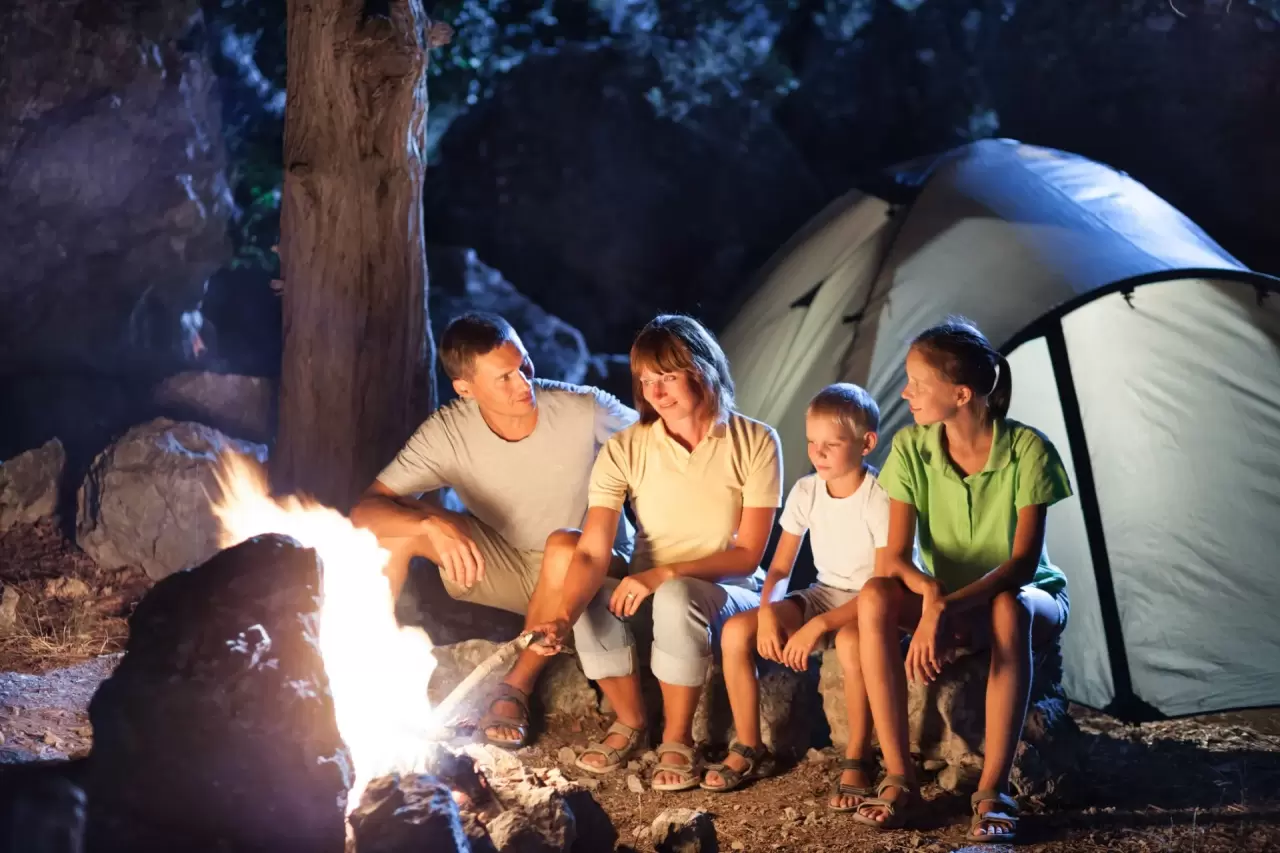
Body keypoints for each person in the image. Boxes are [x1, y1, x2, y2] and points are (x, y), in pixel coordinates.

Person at [350, 312, 637, 748]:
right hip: (512, 564)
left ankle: (514, 689)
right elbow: (363, 512)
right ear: (465, 389)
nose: (523, 383)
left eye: (524, 365)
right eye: (504, 377)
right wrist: (429, 521)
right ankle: (370, 666)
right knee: (397, 528)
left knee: (562, 544)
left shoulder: (584, 410)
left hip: (594, 566)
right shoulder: (447, 432)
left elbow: (667, 446)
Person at [529, 314, 782, 792]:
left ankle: (678, 737)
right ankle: (629, 721)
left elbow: (748, 555)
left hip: (730, 593)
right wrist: (562, 615)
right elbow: (591, 552)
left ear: (703, 369)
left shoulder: (756, 441)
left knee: (675, 593)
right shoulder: (626, 448)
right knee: (584, 592)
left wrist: (662, 574)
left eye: (667, 377)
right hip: (651, 591)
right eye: (646, 381)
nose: (656, 393)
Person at [852, 317, 1072, 843]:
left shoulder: (1028, 451)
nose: (906, 393)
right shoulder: (911, 448)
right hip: (950, 601)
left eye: (917, 383)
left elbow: (1021, 565)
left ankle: (993, 790)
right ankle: (900, 778)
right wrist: (931, 595)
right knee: (876, 595)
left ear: (961, 393)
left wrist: (945, 610)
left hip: (1029, 599)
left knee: (1008, 607)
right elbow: (895, 559)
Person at [701, 383, 889, 806]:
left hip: (871, 600)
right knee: (735, 632)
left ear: (866, 443)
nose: (817, 453)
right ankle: (749, 744)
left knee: (853, 643)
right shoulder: (807, 490)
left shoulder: (880, 497)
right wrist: (768, 611)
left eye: (832, 444)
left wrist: (819, 626)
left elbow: (885, 584)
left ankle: (858, 755)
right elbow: (781, 566)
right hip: (825, 592)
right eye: (811, 443)